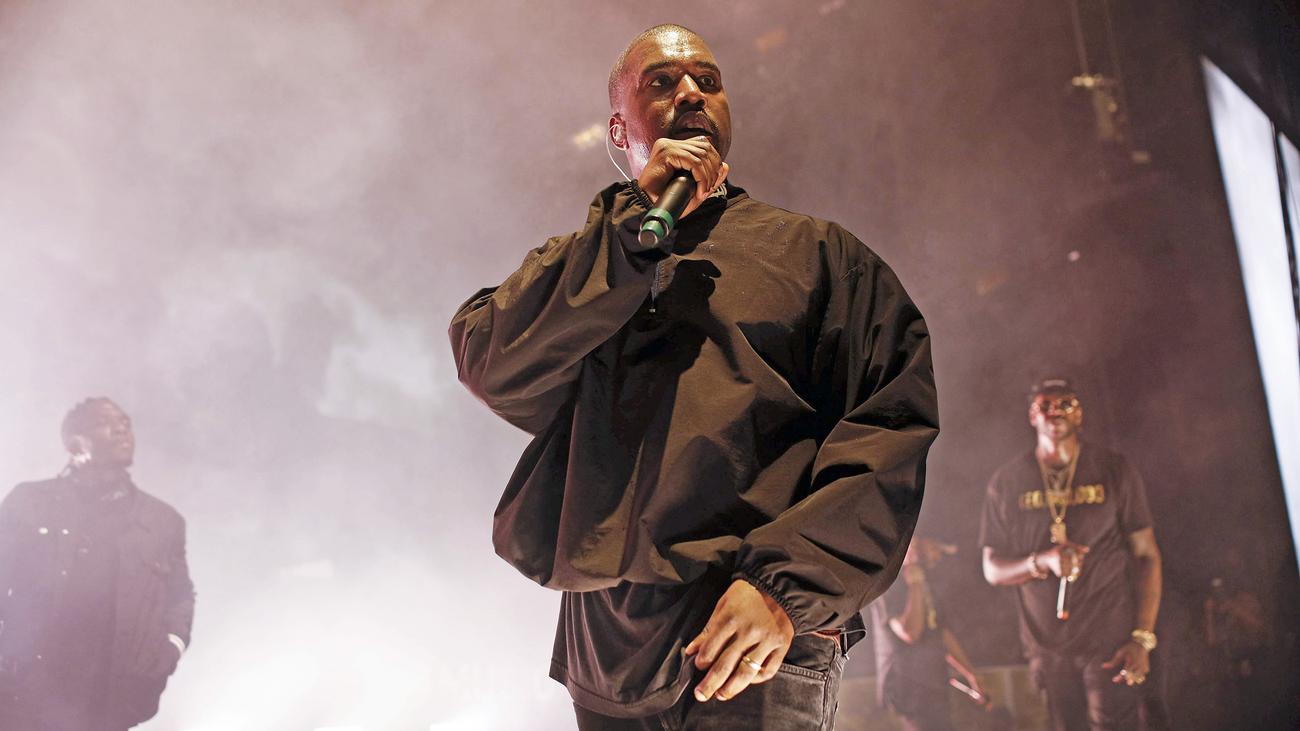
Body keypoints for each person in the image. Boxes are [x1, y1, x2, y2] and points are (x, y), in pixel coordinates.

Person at [449, 23, 938, 730]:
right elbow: (490, 362)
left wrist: (784, 587)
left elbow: (889, 430)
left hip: (752, 632)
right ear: (620, 131)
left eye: (708, 81)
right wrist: (626, 233)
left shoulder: (819, 257)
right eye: (661, 82)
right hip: (607, 645)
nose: (690, 93)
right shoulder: (588, 261)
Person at [0, 398, 194, 730]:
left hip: (111, 698)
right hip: (27, 689)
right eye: (104, 423)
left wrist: (169, 650)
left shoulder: (162, 521)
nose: (121, 429)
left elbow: (180, 596)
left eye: (125, 423)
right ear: (74, 442)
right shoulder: (30, 502)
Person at [980, 379, 1162, 731]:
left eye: (1066, 404)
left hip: (1109, 638)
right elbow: (992, 569)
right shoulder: (1007, 482)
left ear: (1080, 414)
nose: (1056, 412)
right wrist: (1041, 562)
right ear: (1032, 416)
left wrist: (1142, 637)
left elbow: (1146, 555)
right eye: (1045, 405)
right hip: (1046, 646)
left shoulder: (1113, 469)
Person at [870, 537, 988, 731]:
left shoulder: (928, 580)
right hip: (908, 694)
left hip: (934, 687)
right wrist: (915, 585)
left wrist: (972, 675)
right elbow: (910, 633)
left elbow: (941, 632)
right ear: (913, 545)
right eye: (934, 548)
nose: (937, 555)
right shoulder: (888, 583)